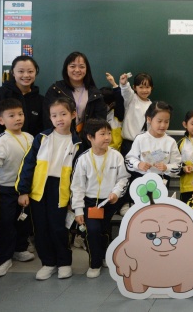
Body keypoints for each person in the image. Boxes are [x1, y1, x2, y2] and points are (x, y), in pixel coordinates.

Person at [16, 97, 82, 280]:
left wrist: (74, 199)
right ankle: (48, 263)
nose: (59, 118)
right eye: (54, 115)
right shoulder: (42, 138)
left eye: (63, 114)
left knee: (58, 228)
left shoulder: (78, 142)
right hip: (39, 190)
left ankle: (64, 263)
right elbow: (28, 165)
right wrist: (23, 191)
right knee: (41, 228)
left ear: (73, 114)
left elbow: (79, 175)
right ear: (50, 118)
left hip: (61, 191)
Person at [70, 118, 129, 278]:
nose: (107, 137)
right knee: (93, 231)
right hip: (90, 203)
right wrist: (78, 210)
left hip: (109, 201)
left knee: (104, 231)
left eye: (109, 133)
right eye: (102, 134)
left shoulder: (116, 156)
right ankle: (94, 264)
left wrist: (116, 193)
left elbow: (123, 178)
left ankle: (104, 256)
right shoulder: (83, 159)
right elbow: (77, 187)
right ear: (90, 137)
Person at [0, 98, 35, 277]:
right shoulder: (1, 141)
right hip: (5, 188)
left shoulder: (29, 137)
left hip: (25, 188)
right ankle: (2, 259)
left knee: (23, 220)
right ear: (1, 120)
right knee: (5, 223)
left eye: (20, 114)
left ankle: (19, 249)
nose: (18, 118)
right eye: (11, 115)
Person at [0, 55, 44, 149]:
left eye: (30, 71)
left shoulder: (41, 101)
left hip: (32, 152)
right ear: (13, 73)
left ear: (36, 73)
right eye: (21, 71)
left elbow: (42, 130)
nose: (26, 75)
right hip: (3, 151)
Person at [44, 51, 107, 143]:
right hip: (61, 139)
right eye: (72, 66)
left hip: (87, 142)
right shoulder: (56, 90)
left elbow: (100, 120)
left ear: (87, 69)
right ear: (66, 69)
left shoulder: (95, 93)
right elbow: (47, 118)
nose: (77, 70)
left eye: (81, 66)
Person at [124, 101, 181, 189]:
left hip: (162, 181)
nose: (163, 125)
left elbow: (177, 166)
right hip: (141, 180)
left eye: (166, 122)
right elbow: (129, 160)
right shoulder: (140, 139)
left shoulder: (171, 142)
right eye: (159, 121)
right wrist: (138, 164)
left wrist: (166, 167)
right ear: (149, 119)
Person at [119, 72, 153, 157]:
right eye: (141, 87)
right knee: (128, 165)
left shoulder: (152, 106)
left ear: (151, 88)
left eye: (147, 87)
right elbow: (126, 92)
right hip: (129, 144)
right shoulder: (131, 99)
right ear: (134, 87)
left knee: (145, 165)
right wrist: (124, 84)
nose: (144, 90)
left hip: (146, 145)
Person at [100, 87, 122, 151]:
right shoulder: (95, 115)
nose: (101, 107)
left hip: (115, 150)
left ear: (112, 104)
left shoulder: (118, 115)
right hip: (99, 150)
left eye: (104, 105)